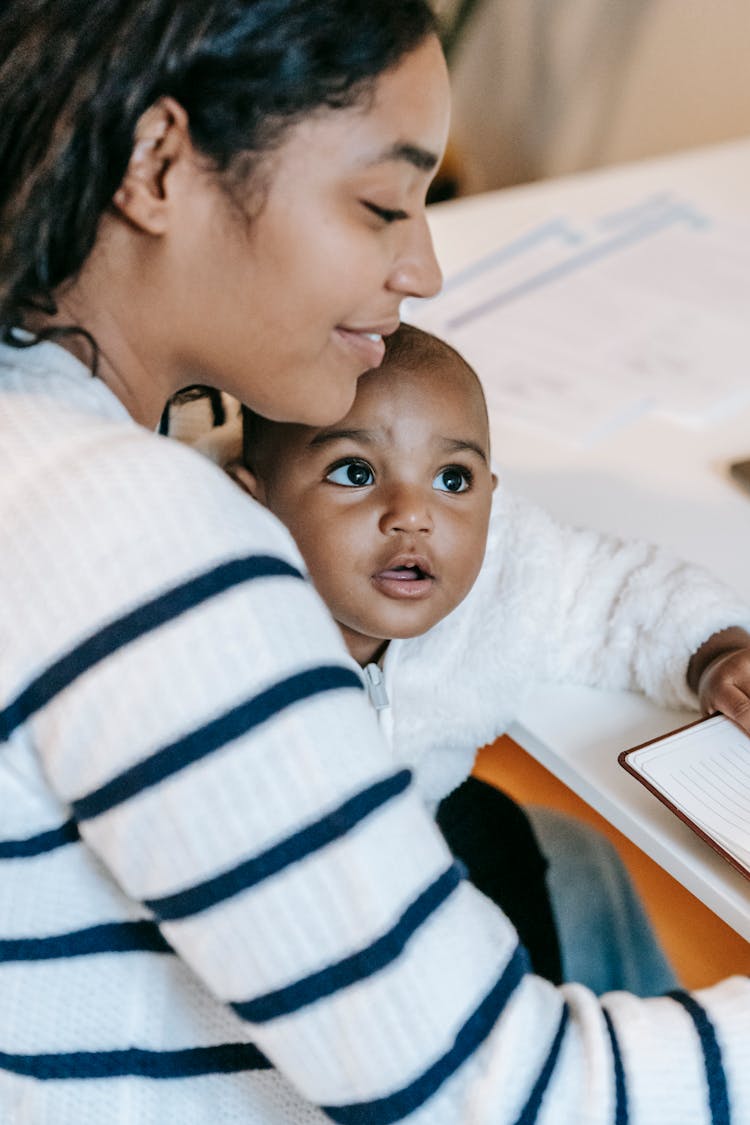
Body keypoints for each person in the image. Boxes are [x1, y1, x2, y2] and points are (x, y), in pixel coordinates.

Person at [1, 5, 748, 1124]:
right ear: (157, 166)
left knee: (555, 855)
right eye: (381, 204)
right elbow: (500, 1096)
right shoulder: (146, 550)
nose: (426, 267)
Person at [201, 321, 747, 994]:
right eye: (355, 472)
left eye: (452, 479)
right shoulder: (210, 629)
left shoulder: (501, 569)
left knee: (512, 837)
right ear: (253, 502)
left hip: (415, 821)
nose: (412, 513)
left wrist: (714, 653)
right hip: (275, 913)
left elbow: (608, 592)